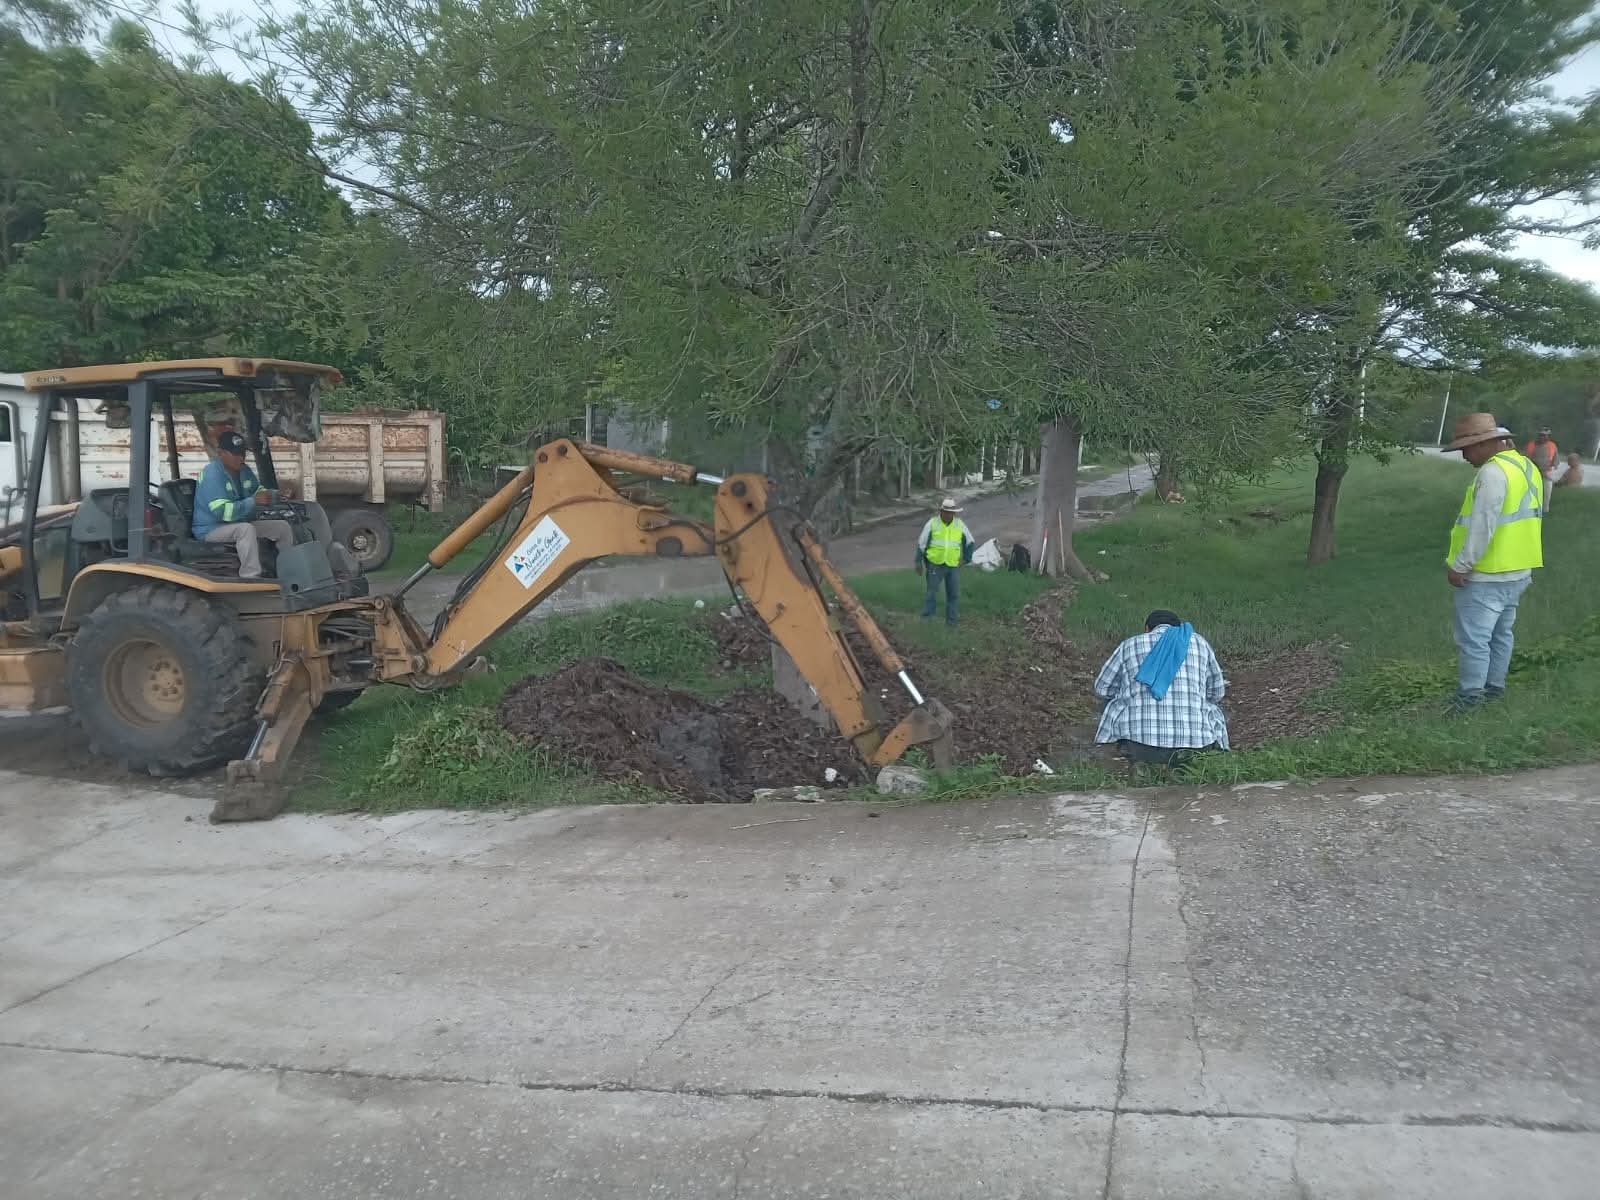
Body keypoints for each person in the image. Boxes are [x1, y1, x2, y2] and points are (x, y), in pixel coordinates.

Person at [1443, 413, 1543, 712]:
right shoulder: (1525, 467)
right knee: (1501, 635)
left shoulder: (1493, 473)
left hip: (1487, 573)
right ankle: (1494, 690)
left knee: (1475, 640)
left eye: (1467, 448)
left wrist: (1461, 565)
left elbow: (1482, 525)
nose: (1464, 456)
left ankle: (1469, 700)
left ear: (1486, 444)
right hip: (1519, 569)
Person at [193, 430, 355, 580]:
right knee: (245, 530)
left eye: (242, 453)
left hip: (237, 523)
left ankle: (291, 572)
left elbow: (258, 491)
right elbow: (223, 513)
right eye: (235, 454)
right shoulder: (212, 475)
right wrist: (253, 501)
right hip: (211, 529)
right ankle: (250, 577)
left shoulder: (243, 471)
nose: (240, 458)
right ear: (221, 453)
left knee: (281, 527)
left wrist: (276, 495)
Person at [1093, 610, 1228, 767]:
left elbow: (1102, 688)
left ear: (1147, 628)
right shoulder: (1200, 644)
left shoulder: (1129, 645)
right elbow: (1217, 693)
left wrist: (1125, 693)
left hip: (1139, 745)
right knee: (1211, 707)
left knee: (1111, 704)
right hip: (1196, 746)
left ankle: (1116, 752)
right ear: (1178, 628)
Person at [915, 497, 975, 626]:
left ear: (954, 513)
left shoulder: (959, 524)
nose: (948, 515)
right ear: (941, 512)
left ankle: (952, 623)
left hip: (952, 565)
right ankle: (926, 620)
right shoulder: (932, 523)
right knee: (931, 592)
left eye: (951, 513)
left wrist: (966, 559)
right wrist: (918, 562)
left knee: (953, 595)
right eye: (946, 512)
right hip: (935, 564)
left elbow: (970, 542)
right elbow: (921, 543)